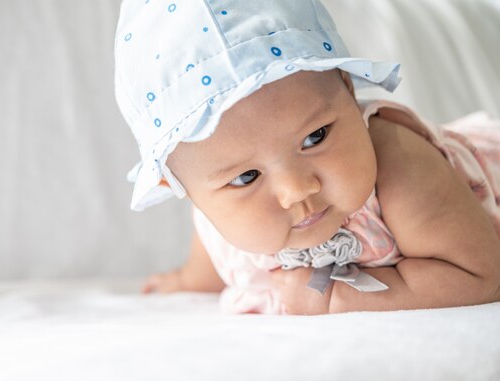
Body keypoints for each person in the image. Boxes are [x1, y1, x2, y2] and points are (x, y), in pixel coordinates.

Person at [114, 0, 500, 314]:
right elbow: (215, 256)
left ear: (349, 92)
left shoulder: (402, 166)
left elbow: (481, 275)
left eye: (315, 137)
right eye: (247, 177)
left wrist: (338, 298)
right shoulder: (217, 219)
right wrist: (187, 280)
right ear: (185, 189)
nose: (297, 190)